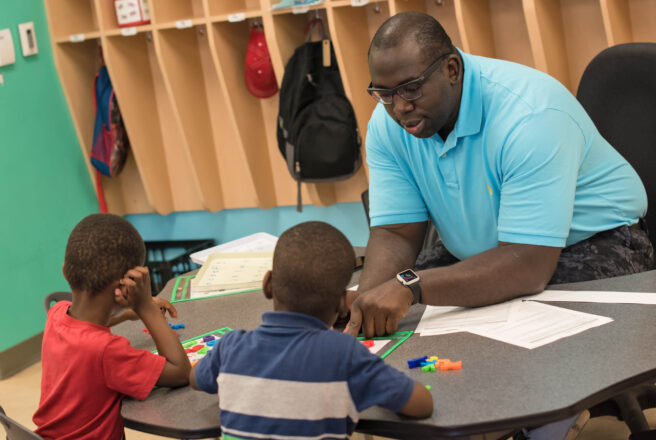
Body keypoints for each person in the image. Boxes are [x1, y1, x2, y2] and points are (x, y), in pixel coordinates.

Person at [345, 11, 654, 340]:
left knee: (507, 348)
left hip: (594, 244)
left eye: (410, 89)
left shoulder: (530, 116)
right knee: (406, 319)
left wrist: (410, 285)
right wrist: (364, 305)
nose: (398, 108)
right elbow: (396, 234)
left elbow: (528, 265)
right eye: (385, 94)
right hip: (491, 254)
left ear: (452, 69)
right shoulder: (389, 124)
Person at [190, 221, 433, 439]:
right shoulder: (344, 354)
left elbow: (195, 379)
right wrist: (377, 386)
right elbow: (422, 405)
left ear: (267, 286)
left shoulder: (231, 346)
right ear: (342, 303)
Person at [33, 213, 191, 440]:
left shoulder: (56, 314)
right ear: (127, 285)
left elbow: (86, 325)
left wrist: (128, 312)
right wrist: (145, 306)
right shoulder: (106, 350)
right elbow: (181, 372)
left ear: (65, 271)